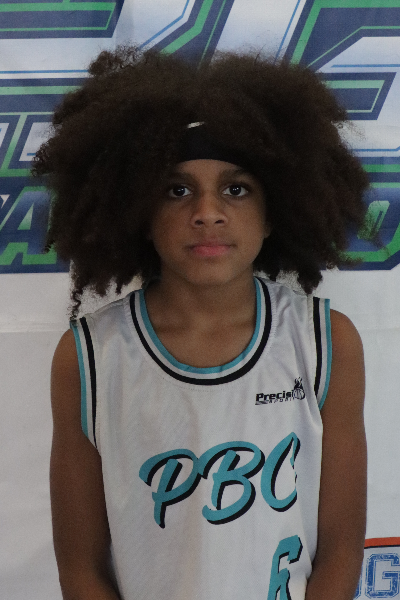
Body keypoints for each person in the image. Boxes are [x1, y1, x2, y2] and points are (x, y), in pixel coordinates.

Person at [34, 46, 368, 600]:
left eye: (236, 189)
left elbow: (340, 552)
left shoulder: (325, 343)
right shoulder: (89, 356)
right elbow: (82, 567)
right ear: (138, 211)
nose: (207, 212)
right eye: (177, 190)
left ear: (273, 212)